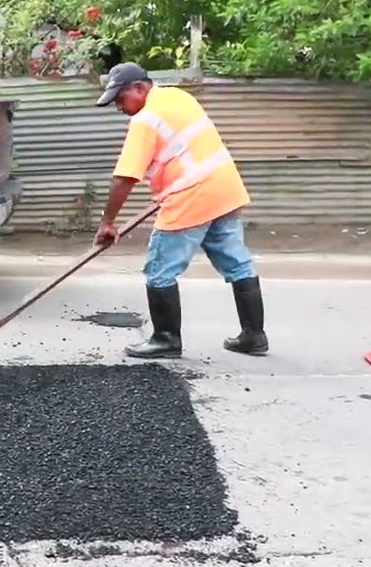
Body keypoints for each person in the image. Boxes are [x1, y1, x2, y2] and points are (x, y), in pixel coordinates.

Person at [92, 62, 268, 359]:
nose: (119, 108)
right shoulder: (178, 97)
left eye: (120, 100)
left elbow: (125, 177)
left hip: (191, 196)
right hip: (223, 189)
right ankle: (254, 335)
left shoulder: (146, 119)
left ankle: (166, 339)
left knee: (159, 269)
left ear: (139, 88)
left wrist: (108, 222)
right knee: (238, 264)